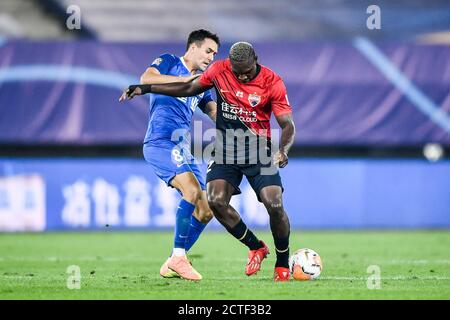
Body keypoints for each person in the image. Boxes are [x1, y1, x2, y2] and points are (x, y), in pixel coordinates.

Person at [121, 42, 296, 282]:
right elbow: (188, 87)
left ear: (256, 59)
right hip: (226, 150)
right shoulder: (219, 70)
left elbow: (288, 125)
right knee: (214, 202)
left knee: (274, 204)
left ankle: (282, 262)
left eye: (247, 71)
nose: (242, 76)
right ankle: (256, 247)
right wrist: (145, 88)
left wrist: (283, 150)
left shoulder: (272, 81)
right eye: (238, 72)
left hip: (259, 149)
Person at [119, 29, 220, 281]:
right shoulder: (170, 61)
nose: (211, 57)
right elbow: (146, 77)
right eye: (208, 51)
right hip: (160, 142)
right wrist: (186, 84)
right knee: (192, 191)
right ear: (193, 47)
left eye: (215, 54)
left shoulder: (204, 84)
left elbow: (215, 112)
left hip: (182, 148)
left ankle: (175, 260)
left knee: (206, 210)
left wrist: (242, 123)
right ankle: (178, 256)